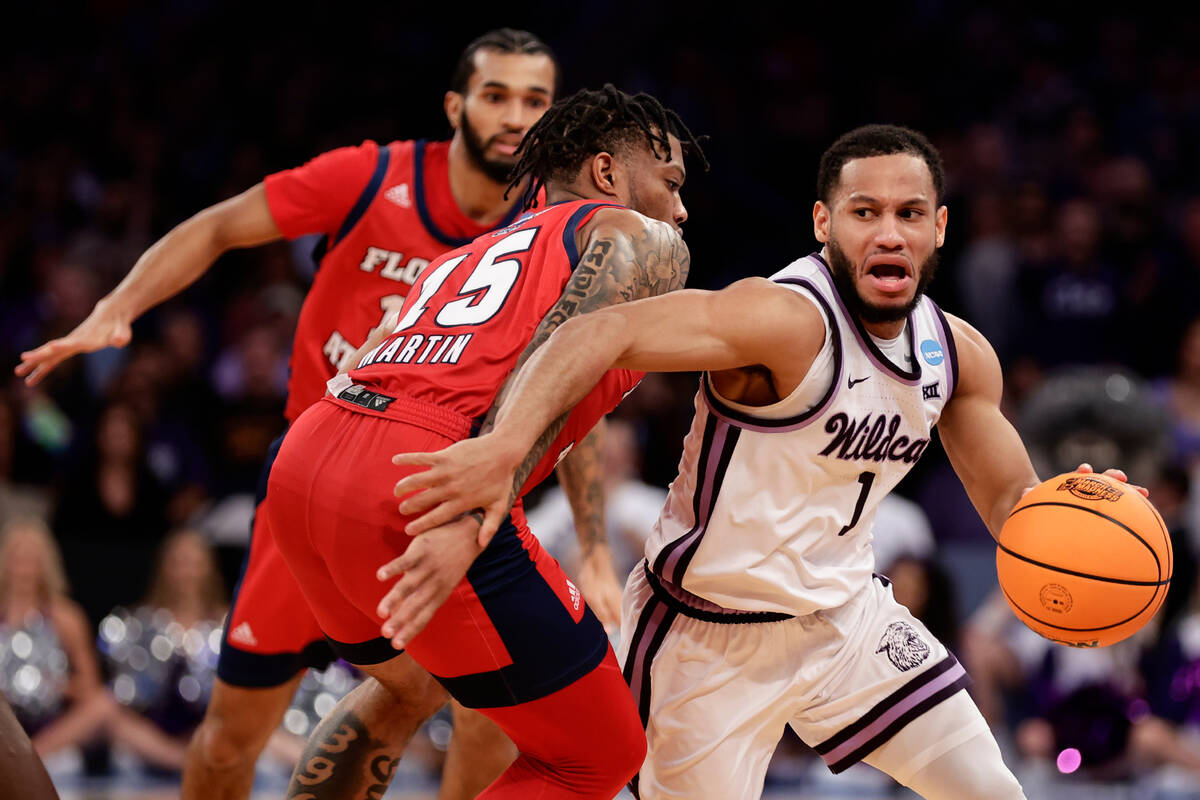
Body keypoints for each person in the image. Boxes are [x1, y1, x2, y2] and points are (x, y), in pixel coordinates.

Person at [387, 124, 1152, 799]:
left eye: (909, 214)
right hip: (706, 636)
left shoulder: (957, 353)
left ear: (940, 227)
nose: (889, 233)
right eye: (865, 212)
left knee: (991, 791)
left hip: (847, 621)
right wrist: (503, 446)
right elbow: (600, 332)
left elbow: (1010, 499)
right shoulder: (783, 320)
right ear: (824, 222)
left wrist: (1075, 518)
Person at [14, 28, 581, 800]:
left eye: (534, 100)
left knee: (489, 711)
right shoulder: (372, 176)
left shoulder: (553, 224)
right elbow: (220, 224)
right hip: (312, 487)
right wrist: (117, 308)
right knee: (229, 744)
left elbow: (575, 374)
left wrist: (598, 546)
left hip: (430, 504)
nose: (515, 116)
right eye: (496, 95)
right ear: (455, 106)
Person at [265, 84, 701, 799]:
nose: (681, 209)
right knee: (601, 752)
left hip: (311, 456)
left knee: (409, 686)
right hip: (425, 474)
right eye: (671, 182)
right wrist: (471, 514)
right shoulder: (637, 237)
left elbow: (383, 353)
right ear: (607, 174)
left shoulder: (463, 257)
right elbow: (561, 348)